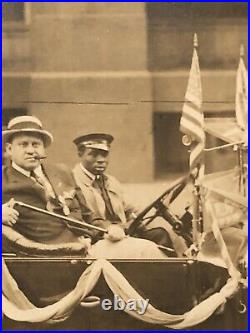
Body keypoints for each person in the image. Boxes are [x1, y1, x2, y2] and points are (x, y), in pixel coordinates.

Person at [2, 116, 99, 249]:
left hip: (88, 245)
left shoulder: (63, 172)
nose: (31, 151)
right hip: (46, 255)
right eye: (23, 144)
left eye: (36, 145)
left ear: (43, 150)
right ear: (9, 149)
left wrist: (107, 231)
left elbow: (88, 215)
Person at [72, 133, 176, 253]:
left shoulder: (111, 181)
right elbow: (84, 220)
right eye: (93, 155)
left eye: (105, 154)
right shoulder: (73, 182)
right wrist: (110, 229)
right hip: (97, 240)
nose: (101, 160)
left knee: (160, 234)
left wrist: (145, 214)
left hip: (122, 234)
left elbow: (130, 209)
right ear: (80, 153)